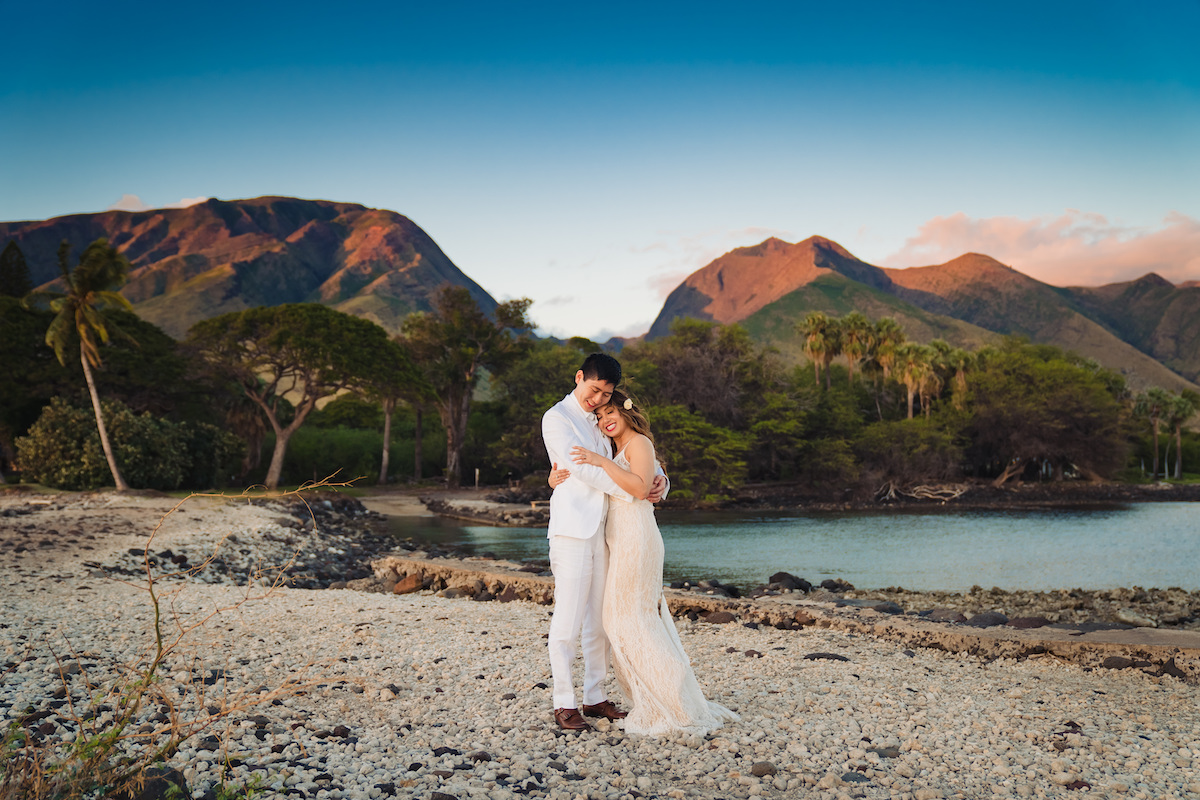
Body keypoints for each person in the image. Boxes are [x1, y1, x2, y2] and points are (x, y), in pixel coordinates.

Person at [552, 389, 738, 736]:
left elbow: (641, 481)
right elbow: (605, 473)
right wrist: (557, 477)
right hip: (615, 538)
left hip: (636, 537)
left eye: (611, 412)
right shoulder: (608, 444)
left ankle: (671, 694)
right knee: (619, 619)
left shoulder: (633, 444)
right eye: (600, 415)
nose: (605, 419)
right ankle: (649, 691)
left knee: (632, 617)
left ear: (627, 412)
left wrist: (615, 467)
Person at [540, 354, 668, 732]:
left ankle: (594, 696)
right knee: (568, 619)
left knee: (600, 620)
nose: (597, 400)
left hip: (609, 532)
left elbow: (631, 452)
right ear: (579, 377)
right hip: (574, 531)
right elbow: (579, 470)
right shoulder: (557, 419)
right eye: (593, 390)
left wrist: (658, 482)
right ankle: (563, 703)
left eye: (605, 394)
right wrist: (636, 492)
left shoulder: (602, 421)